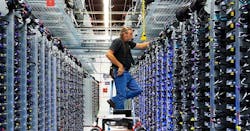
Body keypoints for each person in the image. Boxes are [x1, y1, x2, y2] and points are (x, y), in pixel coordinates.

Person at [106, 27, 150, 109]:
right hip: (120, 72)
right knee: (121, 96)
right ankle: (119, 117)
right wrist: (120, 66)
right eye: (130, 34)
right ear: (124, 34)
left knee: (138, 90)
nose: (132, 36)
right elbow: (109, 54)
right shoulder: (118, 42)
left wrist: (151, 43)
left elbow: (140, 46)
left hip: (127, 72)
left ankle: (114, 100)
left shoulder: (128, 43)